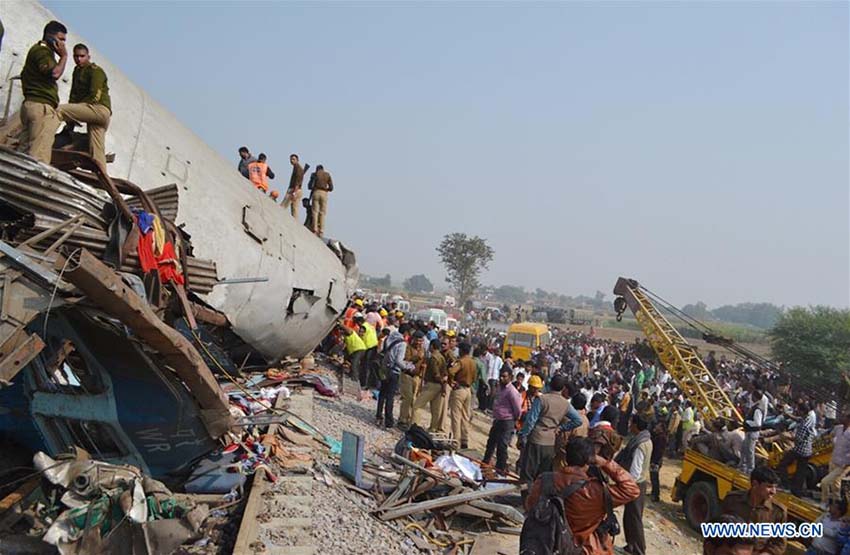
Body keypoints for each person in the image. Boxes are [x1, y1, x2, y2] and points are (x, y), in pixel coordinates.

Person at [525, 437, 640, 555]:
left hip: (547, 544)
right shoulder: (596, 490)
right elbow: (632, 489)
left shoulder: (544, 480)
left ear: (566, 457)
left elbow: (530, 506)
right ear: (590, 461)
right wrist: (606, 463)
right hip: (582, 547)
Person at [517, 374, 582, 498]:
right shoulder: (565, 404)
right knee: (542, 476)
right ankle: (538, 503)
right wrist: (561, 428)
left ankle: (527, 502)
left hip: (536, 438)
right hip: (550, 442)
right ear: (563, 388)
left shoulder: (542, 399)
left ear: (549, 384)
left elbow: (531, 420)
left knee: (527, 475)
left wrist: (523, 435)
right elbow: (577, 420)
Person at [19, 20, 68, 164]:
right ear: (50, 37)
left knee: (24, 153)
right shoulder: (42, 51)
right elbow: (55, 73)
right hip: (41, 106)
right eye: (61, 39)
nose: (63, 44)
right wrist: (64, 56)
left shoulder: (41, 51)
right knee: (38, 156)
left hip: (31, 105)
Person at [57, 43, 111, 166]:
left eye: (82, 56)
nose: (79, 59)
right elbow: (73, 95)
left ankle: (43, 140)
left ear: (88, 56)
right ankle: (101, 177)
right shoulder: (77, 71)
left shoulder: (96, 71)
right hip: (94, 115)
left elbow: (95, 96)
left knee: (59, 110)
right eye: (76, 56)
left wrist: (76, 111)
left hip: (98, 110)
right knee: (97, 150)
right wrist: (70, 123)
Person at [721, 466, 787, 555]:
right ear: (755, 484)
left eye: (775, 487)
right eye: (769, 486)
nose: (773, 491)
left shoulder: (778, 511)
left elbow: (779, 543)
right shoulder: (733, 500)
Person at [615, 414, 653, 555]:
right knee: (630, 516)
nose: (630, 425)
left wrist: (624, 482)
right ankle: (630, 546)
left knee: (635, 518)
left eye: (632, 423)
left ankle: (638, 550)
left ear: (636, 425)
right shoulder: (645, 439)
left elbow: (635, 471)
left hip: (635, 484)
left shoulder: (639, 444)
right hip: (639, 483)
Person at [483, 368, 521, 473]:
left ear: (510, 377)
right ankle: (485, 462)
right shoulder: (500, 388)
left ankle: (501, 469)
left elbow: (517, 409)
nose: (501, 378)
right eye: (501, 376)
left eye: (504, 376)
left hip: (507, 421)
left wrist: (514, 420)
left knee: (502, 446)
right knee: (491, 442)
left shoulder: (512, 392)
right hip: (498, 420)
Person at [376, 325, 413, 428]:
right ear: (405, 332)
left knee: (382, 394)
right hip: (394, 372)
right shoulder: (402, 343)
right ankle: (388, 421)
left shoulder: (390, 337)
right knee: (390, 396)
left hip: (384, 369)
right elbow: (398, 360)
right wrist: (407, 367)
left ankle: (378, 416)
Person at [777, 400, 816, 496]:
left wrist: (786, 436)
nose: (797, 411)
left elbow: (798, 439)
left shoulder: (804, 424)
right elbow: (799, 419)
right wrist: (789, 416)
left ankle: (785, 485)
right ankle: (796, 491)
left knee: (782, 464)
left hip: (801, 450)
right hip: (807, 450)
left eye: (798, 410)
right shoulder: (807, 418)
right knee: (800, 471)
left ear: (802, 411)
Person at [412, 339, 448, 433]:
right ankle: (433, 429)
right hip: (440, 386)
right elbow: (444, 373)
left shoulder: (433, 358)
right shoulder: (442, 357)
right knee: (435, 410)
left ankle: (414, 427)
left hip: (432, 385)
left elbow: (436, 374)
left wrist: (439, 380)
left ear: (432, 346)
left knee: (417, 406)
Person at [447, 342, 477, 448]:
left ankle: (456, 440)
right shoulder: (473, 362)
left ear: (462, 351)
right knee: (465, 416)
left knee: (455, 416)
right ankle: (465, 439)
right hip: (468, 390)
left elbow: (451, 371)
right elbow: (474, 377)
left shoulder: (461, 361)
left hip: (459, 390)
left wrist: (452, 381)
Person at [398, 330, 426, 430]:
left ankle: (411, 419)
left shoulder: (423, 349)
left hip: (417, 376)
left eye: (421, 341)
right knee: (407, 397)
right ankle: (403, 419)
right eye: (417, 341)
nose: (419, 343)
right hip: (407, 375)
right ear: (413, 339)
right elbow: (405, 360)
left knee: (414, 399)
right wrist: (417, 358)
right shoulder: (408, 348)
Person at [821, 412, 850, 506]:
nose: (841, 418)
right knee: (835, 486)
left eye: (844, 417)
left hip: (843, 465)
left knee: (824, 482)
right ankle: (837, 505)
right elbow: (830, 435)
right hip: (833, 461)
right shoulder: (838, 428)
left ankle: (824, 502)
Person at [740, 389, 765, 475]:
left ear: (755, 397)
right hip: (749, 432)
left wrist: (747, 422)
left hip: (752, 433)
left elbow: (757, 424)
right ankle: (742, 467)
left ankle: (750, 470)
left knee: (749, 451)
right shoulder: (754, 407)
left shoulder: (757, 409)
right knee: (744, 449)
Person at [310, 164, 333, 237]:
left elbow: (310, 186)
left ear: (317, 169)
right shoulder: (327, 174)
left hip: (316, 192)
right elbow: (331, 187)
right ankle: (321, 231)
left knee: (315, 211)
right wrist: (327, 189)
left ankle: (315, 229)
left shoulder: (314, 174)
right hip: (324, 194)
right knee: (322, 213)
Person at [649, 417, 668, 502]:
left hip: (656, 461)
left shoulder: (661, 438)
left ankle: (656, 495)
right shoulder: (657, 436)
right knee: (652, 477)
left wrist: (655, 461)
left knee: (655, 477)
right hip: (654, 459)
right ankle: (653, 492)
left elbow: (659, 451)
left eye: (658, 426)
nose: (656, 427)